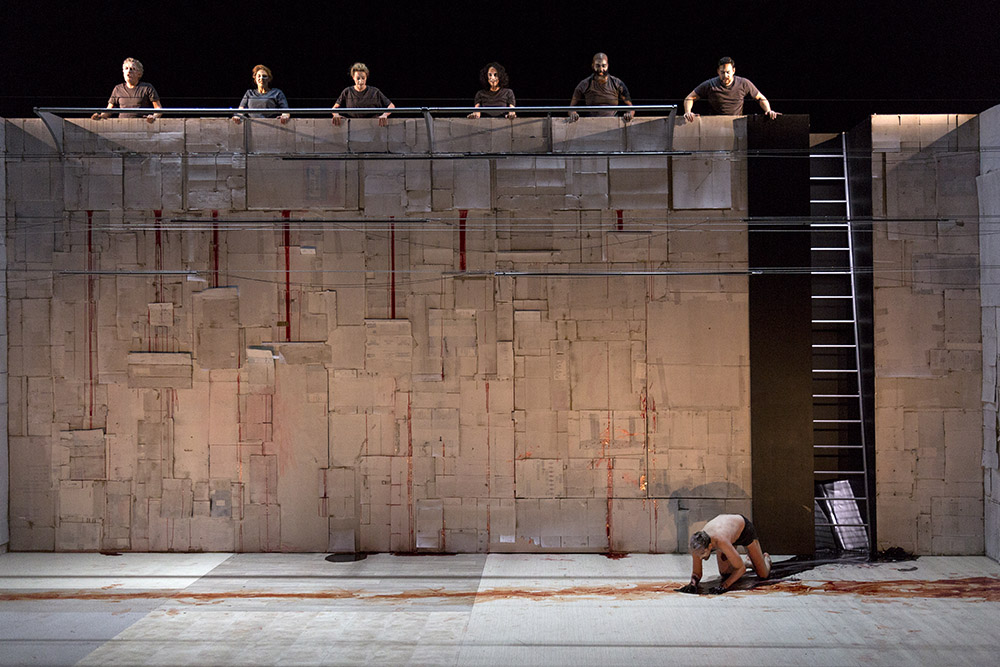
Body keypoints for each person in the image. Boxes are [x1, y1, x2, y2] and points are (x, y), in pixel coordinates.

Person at [678, 513, 772, 594]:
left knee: (763, 575)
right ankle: (747, 562)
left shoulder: (721, 541)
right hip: (727, 532)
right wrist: (692, 584)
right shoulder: (697, 545)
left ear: (710, 546)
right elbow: (696, 573)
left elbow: (741, 569)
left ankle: (766, 559)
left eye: (702, 554)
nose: (699, 557)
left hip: (744, 530)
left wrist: (724, 586)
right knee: (725, 574)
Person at [683, 57, 779, 122]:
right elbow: (690, 98)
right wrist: (688, 112)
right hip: (715, 124)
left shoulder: (743, 83)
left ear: (733, 71)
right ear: (718, 71)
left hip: (737, 123)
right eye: (722, 72)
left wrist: (768, 110)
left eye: (728, 72)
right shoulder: (710, 84)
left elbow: (760, 98)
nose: (725, 76)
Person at [92, 58, 162, 124]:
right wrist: (100, 116)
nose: (129, 71)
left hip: (141, 125)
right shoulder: (118, 89)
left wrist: (153, 117)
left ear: (139, 74)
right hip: (122, 125)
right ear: (123, 72)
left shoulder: (147, 87)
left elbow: (158, 109)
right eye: (126, 68)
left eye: (132, 69)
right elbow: (109, 110)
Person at [568, 52, 633, 122]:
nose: (601, 69)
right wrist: (573, 114)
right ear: (593, 66)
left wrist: (629, 114)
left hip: (613, 122)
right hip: (591, 122)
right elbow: (571, 107)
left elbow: (630, 107)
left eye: (603, 66)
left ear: (608, 65)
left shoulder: (617, 83)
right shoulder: (584, 84)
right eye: (597, 66)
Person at [332, 63, 395, 127]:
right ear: (353, 78)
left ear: (366, 77)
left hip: (373, 126)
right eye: (358, 78)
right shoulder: (347, 92)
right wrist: (336, 114)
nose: (360, 81)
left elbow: (391, 105)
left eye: (363, 78)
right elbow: (334, 108)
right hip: (353, 126)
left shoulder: (375, 92)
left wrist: (384, 115)